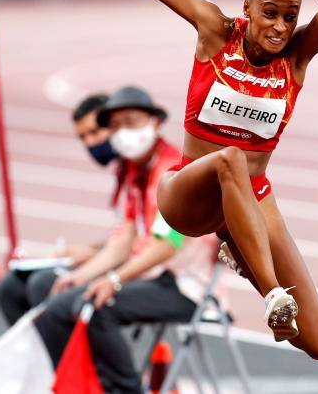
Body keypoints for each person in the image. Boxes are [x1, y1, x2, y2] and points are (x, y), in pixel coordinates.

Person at [35, 0, 318, 358]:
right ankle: (269, 293)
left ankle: (240, 246)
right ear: (247, 8)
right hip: (188, 191)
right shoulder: (216, 31)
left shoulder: (296, 58)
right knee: (230, 160)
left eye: (290, 16)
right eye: (269, 13)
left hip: (252, 197)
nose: (280, 26)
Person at [33, 85, 218, 393]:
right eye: (115, 126)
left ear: (155, 122)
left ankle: (124, 389)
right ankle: (80, 385)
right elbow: (124, 240)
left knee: (93, 307)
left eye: (131, 122)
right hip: (151, 276)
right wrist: (81, 274)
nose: (122, 132)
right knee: (62, 296)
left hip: (184, 286)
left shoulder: (175, 171)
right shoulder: (137, 172)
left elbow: (166, 245)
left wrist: (115, 280)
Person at [0, 93, 118, 326]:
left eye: (95, 132)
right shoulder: (123, 175)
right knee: (9, 288)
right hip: (114, 261)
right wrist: (87, 250)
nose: (91, 143)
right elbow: (123, 237)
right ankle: (42, 359)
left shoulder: (156, 172)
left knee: (44, 284)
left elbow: (153, 243)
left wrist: (91, 257)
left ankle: (71, 359)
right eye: (83, 137)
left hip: (144, 273)